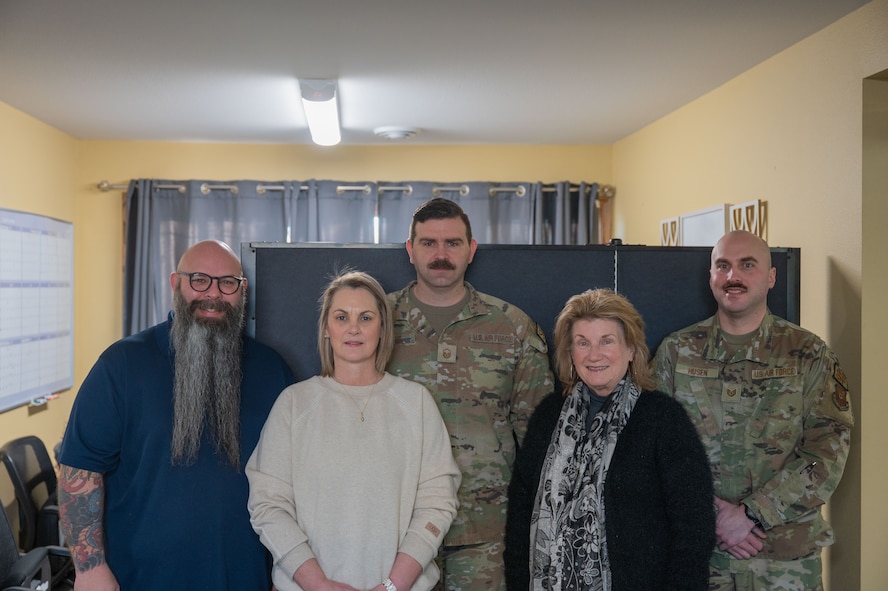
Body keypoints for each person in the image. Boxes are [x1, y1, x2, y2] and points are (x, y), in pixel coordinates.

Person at [57, 239, 294, 591]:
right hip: (139, 578)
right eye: (199, 279)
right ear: (175, 283)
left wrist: (286, 570)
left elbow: (291, 479)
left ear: (242, 291)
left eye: (227, 282)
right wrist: (90, 568)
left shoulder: (272, 370)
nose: (213, 293)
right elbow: (81, 468)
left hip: (246, 577)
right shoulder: (121, 364)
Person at [652, 230, 854, 591]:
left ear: (771, 276)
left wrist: (750, 514)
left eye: (748, 265)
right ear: (711, 276)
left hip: (784, 562)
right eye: (723, 266)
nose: (734, 277)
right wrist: (716, 515)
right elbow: (651, 449)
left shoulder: (808, 354)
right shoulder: (676, 352)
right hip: (700, 558)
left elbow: (827, 452)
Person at [246, 270, 461, 591]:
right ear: (326, 329)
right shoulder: (294, 403)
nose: (354, 328)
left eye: (366, 317)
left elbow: (437, 503)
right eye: (342, 316)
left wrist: (392, 586)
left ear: (382, 328)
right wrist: (317, 584)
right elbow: (267, 505)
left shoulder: (415, 403)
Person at [385, 198, 554, 591]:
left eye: (453, 243)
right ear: (410, 250)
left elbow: (539, 436)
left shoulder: (511, 326)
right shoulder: (376, 319)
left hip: (484, 529)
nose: (440, 254)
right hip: (396, 523)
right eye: (428, 243)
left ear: (471, 249)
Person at [504, 288, 715, 591]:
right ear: (570, 354)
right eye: (582, 342)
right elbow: (519, 522)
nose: (594, 354)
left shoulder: (664, 420)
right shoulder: (547, 417)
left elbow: (693, 530)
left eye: (607, 341)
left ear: (631, 349)